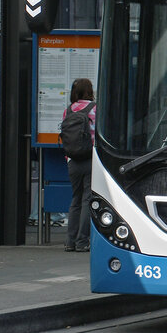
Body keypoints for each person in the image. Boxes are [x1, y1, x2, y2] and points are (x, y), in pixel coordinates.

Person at [62, 78, 96, 253]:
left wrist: (68, 158)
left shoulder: (68, 111)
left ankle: (70, 241)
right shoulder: (95, 108)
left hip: (73, 160)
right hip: (90, 159)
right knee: (87, 199)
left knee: (75, 199)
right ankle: (82, 241)